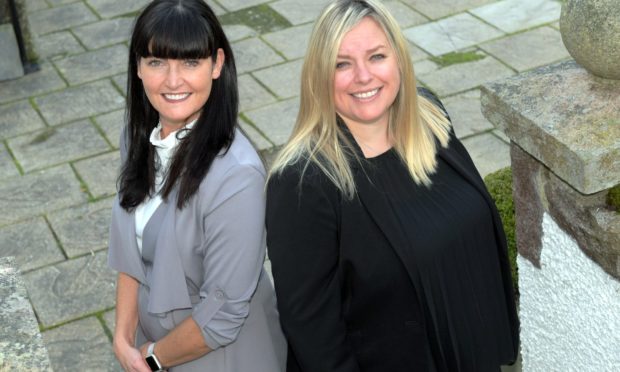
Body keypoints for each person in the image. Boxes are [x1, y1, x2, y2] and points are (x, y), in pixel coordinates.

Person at [265, 0, 519, 371]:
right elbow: (314, 337)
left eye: (377, 56)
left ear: (399, 59)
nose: (363, 76)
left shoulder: (429, 118)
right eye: (342, 64)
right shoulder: (304, 183)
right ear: (319, 76)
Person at [107, 1, 286, 371]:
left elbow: (220, 318)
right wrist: (123, 339)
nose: (173, 81)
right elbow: (130, 255)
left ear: (217, 64)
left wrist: (151, 358)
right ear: (138, 67)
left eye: (190, 62)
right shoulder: (136, 139)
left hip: (222, 358)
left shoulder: (236, 178)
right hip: (152, 348)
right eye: (157, 62)